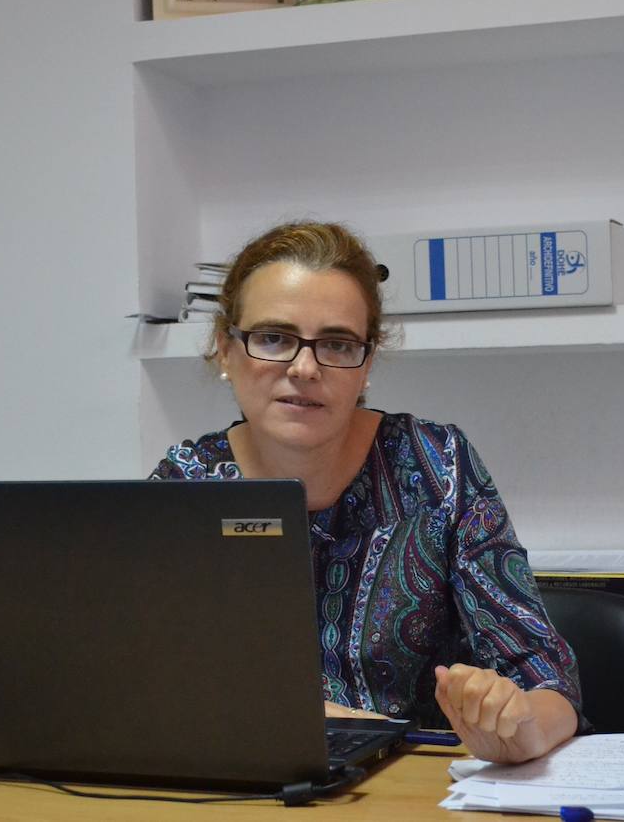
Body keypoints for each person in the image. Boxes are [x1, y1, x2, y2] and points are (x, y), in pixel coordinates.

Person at [149, 220, 584, 764]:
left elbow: (547, 677)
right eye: (274, 338)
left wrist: (524, 729)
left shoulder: (435, 465)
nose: (304, 368)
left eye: (336, 344)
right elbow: (142, 680)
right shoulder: (186, 486)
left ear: (367, 363)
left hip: (416, 785)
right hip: (240, 784)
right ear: (225, 350)